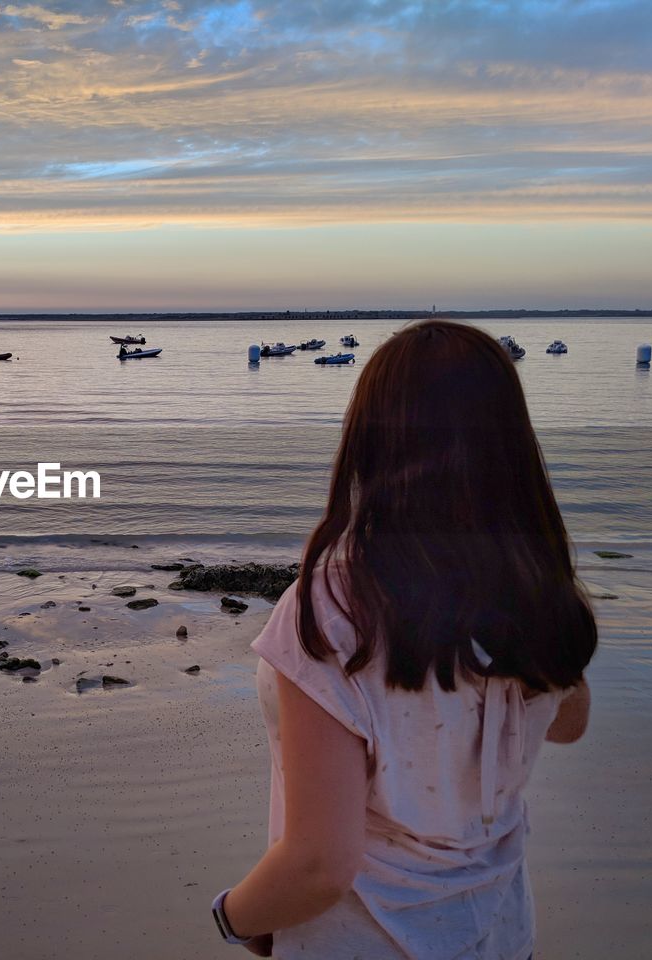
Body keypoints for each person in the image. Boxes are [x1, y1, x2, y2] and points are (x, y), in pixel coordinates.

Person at [212, 320, 597, 959]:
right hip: (500, 933)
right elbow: (567, 723)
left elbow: (318, 868)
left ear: (370, 438)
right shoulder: (527, 585)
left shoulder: (335, 606)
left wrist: (235, 917)